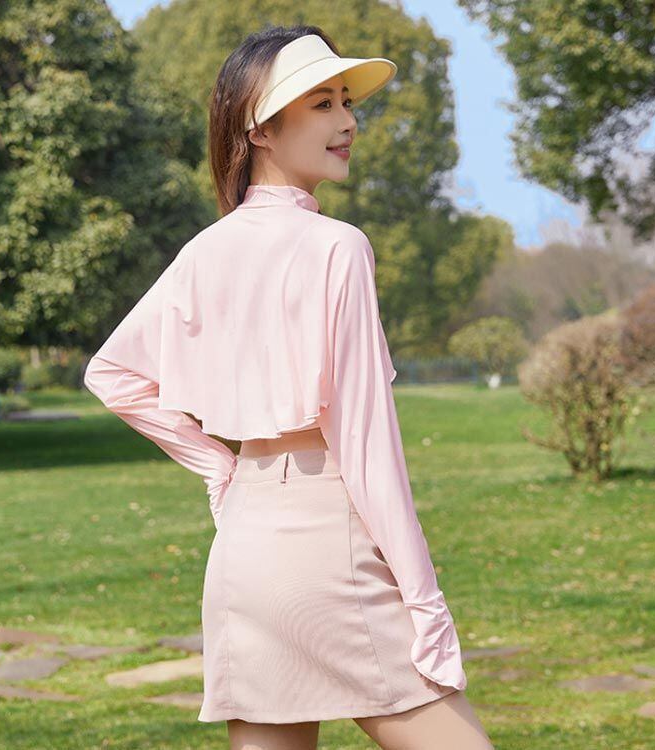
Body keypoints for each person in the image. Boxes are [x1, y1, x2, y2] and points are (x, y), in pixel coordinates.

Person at [84, 24, 495, 750]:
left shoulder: (204, 250)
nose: (348, 122)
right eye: (322, 104)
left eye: (347, 101)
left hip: (245, 546)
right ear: (261, 130)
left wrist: (220, 469)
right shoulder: (338, 248)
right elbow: (366, 446)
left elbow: (110, 374)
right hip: (327, 543)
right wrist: (426, 602)